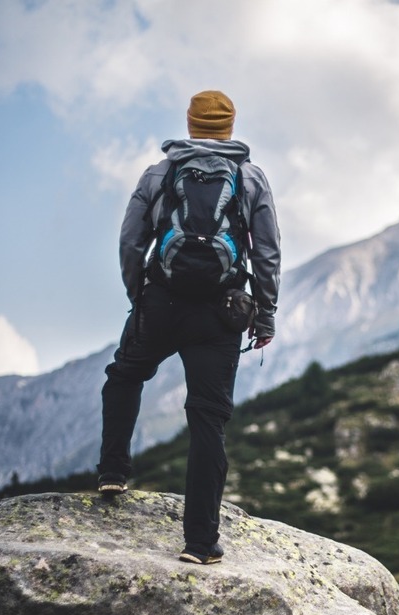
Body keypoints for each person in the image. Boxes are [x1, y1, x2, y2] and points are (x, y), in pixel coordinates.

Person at [97, 90, 281, 565]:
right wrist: (264, 315)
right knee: (207, 420)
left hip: (162, 300)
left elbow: (130, 240)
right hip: (220, 313)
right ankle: (200, 543)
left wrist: (139, 294)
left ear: (190, 122)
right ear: (231, 126)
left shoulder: (161, 172)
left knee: (124, 375)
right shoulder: (250, 177)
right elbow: (267, 252)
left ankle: (113, 471)